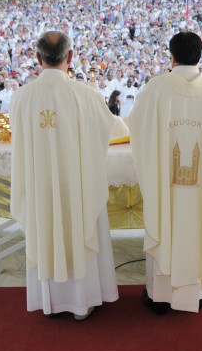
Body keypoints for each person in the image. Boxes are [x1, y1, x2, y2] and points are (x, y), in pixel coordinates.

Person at [10, 31, 127, 321]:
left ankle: (50, 303)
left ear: (38, 59)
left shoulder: (21, 98)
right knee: (79, 224)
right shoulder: (85, 95)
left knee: (47, 228)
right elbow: (114, 130)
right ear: (70, 57)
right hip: (78, 188)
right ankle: (82, 303)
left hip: (41, 189)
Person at [129, 31, 202, 314]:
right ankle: (197, 293)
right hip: (201, 188)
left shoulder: (155, 89)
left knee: (166, 222)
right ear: (199, 55)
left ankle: (160, 295)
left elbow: (136, 128)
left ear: (172, 56)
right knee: (197, 224)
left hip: (166, 186)